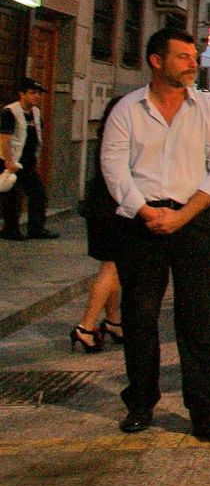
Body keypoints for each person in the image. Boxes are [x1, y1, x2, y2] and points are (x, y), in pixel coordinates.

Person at [100, 29, 210, 439]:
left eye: (193, 56)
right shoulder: (127, 109)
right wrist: (144, 210)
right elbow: (114, 166)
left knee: (197, 318)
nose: (192, 63)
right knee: (139, 316)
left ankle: (205, 411)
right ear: (156, 60)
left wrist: (183, 215)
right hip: (140, 222)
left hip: (194, 220)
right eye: (182, 56)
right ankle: (141, 402)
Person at [70, 92, 132, 353]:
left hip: (100, 207)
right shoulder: (121, 140)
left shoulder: (105, 136)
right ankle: (85, 327)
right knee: (113, 267)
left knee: (113, 267)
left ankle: (113, 322)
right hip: (111, 209)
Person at [2, 77, 58, 240]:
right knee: (12, 197)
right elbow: (4, 138)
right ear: (22, 94)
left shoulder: (36, 113)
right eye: (32, 93)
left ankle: (36, 228)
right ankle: (10, 229)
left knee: (38, 193)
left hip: (28, 161)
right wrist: (8, 161)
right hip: (11, 161)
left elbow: (37, 135)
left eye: (39, 94)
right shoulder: (10, 112)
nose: (37, 97)